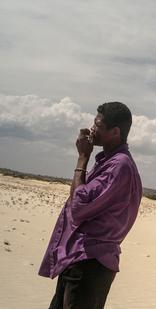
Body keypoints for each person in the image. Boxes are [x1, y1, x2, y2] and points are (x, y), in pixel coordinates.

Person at [39, 102, 143, 309]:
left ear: (115, 132)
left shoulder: (118, 166)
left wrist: (82, 158)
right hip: (81, 259)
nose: (92, 129)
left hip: (89, 264)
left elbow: (77, 208)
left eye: (98, 125)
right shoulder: (110, 161)